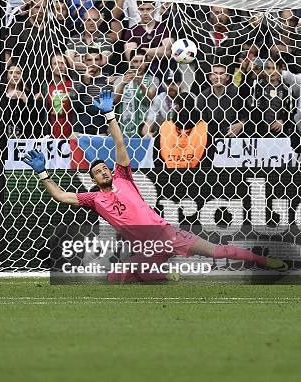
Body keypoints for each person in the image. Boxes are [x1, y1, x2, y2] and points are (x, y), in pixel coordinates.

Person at [22, 90, 288, 283]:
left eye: (105, 168)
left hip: (166, 234)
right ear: (93, 180)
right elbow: (60, 196)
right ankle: (159, 273)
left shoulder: (123, 178)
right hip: (146, 249)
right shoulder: (93, 198)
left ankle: (266, 261)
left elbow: (120, 146)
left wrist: (110, 116)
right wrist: (44, 173)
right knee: (117, 278)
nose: (104, 171)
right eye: (98, 171)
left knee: (218, 250)